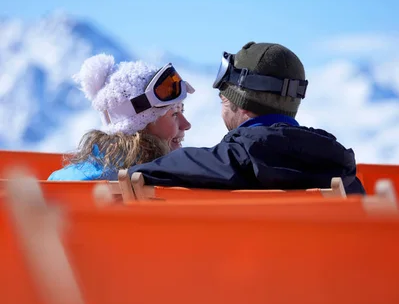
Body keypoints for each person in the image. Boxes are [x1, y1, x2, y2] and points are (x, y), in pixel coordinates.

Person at [124, 42, 365, 194]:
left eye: (223, 97)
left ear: (238, 101)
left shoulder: (223, 164)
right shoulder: (342, 172)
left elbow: (133, 177)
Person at [48, 54, 193, 180]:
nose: (186, 124)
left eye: (182, 111)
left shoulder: (60, 180)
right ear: (138, 128)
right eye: (174, 114)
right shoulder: (161, 181)